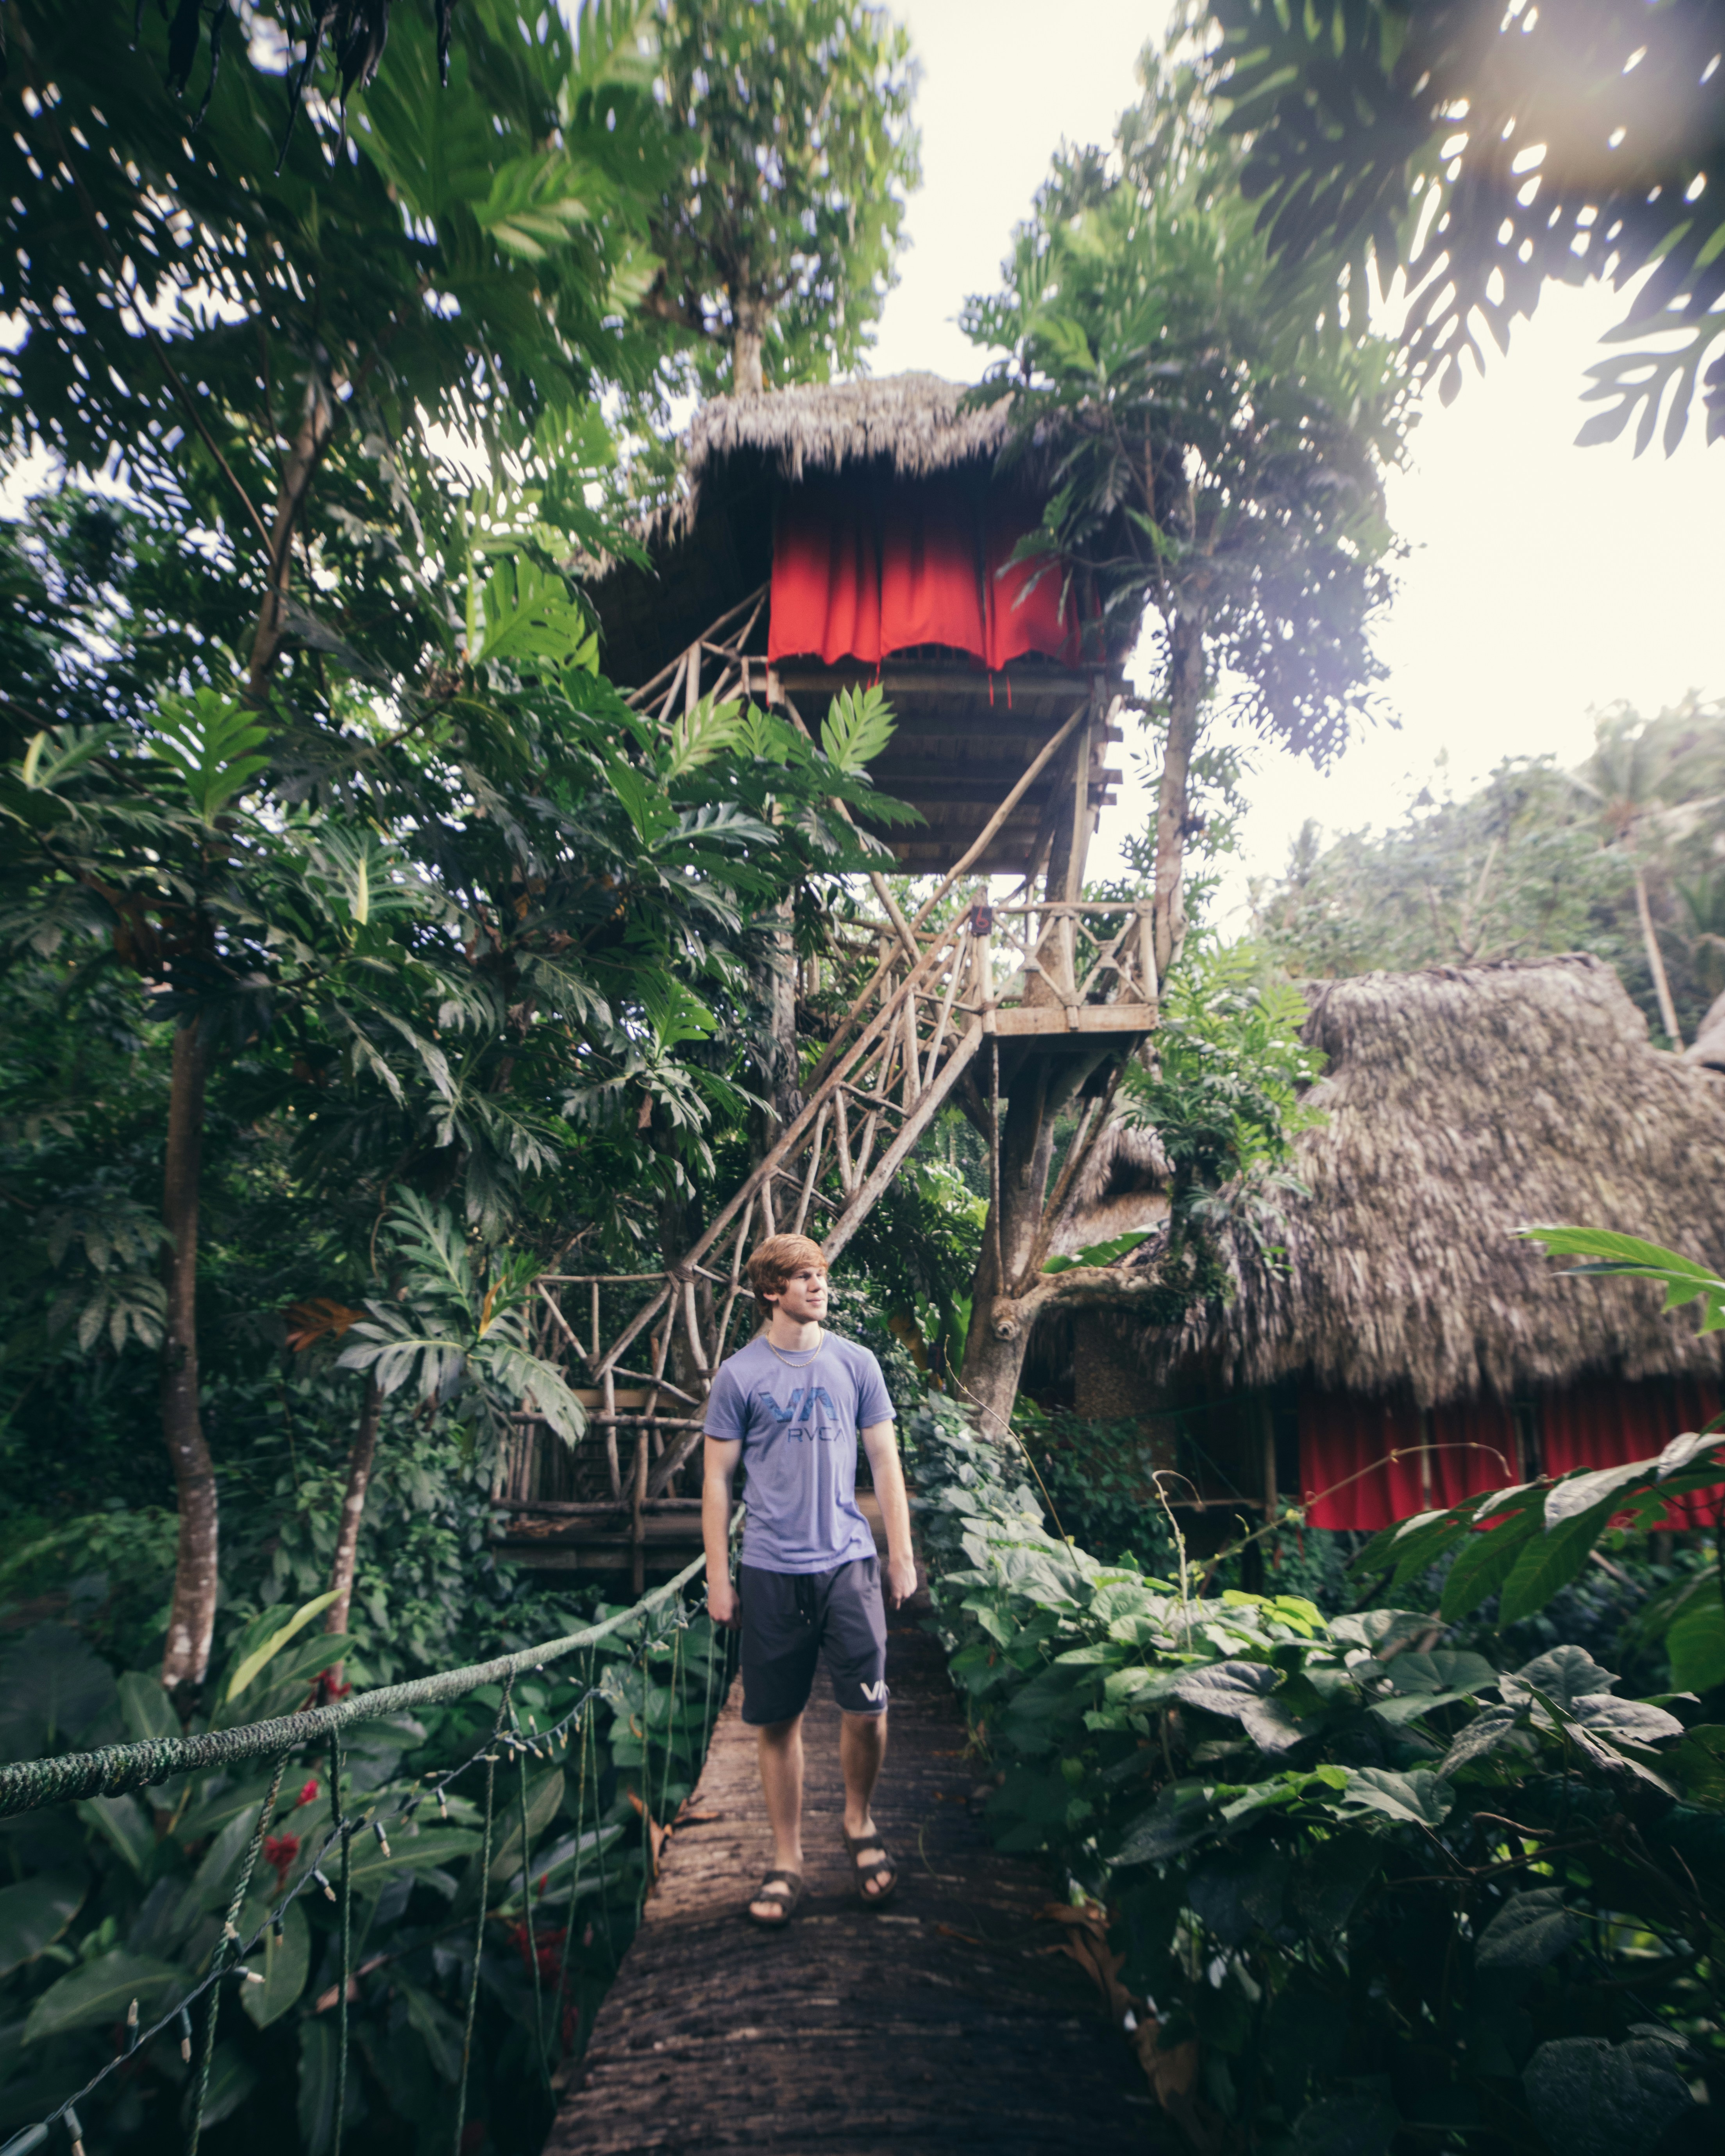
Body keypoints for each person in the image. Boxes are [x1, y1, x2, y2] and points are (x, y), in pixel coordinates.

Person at [701, 1232, 918, 1926]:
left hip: (848, 1563)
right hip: (770, 1569)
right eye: (803, 1277)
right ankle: (787, 1859)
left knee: (870, 1709)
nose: (819, 1286)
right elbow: (717, 1480)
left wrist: (901, 1554)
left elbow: (885, 1463)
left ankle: (858, 1820)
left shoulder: (857, 1364)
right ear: (771, 1291)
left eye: (821, 1274)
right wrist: (718, 1577)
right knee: (777, 1721)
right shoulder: (739, 1376)